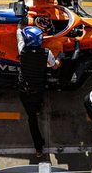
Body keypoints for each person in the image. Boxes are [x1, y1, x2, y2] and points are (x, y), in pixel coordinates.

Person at [16, 26, 62, 158]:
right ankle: (38, 108)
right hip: (38, 90)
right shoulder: (46, 53)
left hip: (24, 91)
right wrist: (60, 58)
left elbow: (18, 35)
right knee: (38, 100)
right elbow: (55, 66)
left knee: (32, 119)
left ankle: (38, 148)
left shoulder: (22, 49)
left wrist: (20, 25)